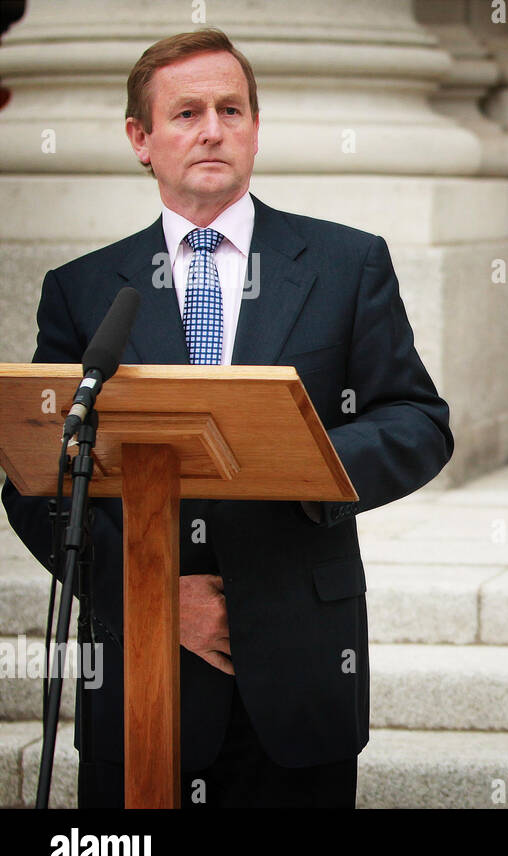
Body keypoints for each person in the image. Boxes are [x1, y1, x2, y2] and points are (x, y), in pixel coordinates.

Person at [1, 28, 453, 807]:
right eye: (186, 114)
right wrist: (151, 597)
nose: (213, 129)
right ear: (140, 139)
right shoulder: (83, 292)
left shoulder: (348, 266)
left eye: (231, 109)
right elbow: (37, 473)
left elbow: (417, 419)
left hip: (298, 662)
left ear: (254, 128)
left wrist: (305, 462)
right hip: (143, 668)